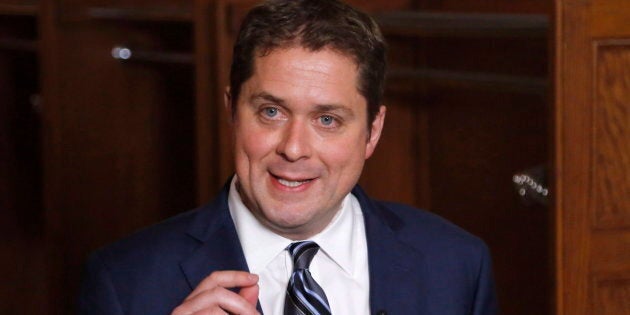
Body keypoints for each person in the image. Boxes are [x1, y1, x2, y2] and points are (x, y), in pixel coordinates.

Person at [78, 0, 498, 314]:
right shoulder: (123, 283)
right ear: (231, 112)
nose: (293, 149)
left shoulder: (457, 266)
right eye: (271, 112)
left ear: (373, 131)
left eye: (328, 120)